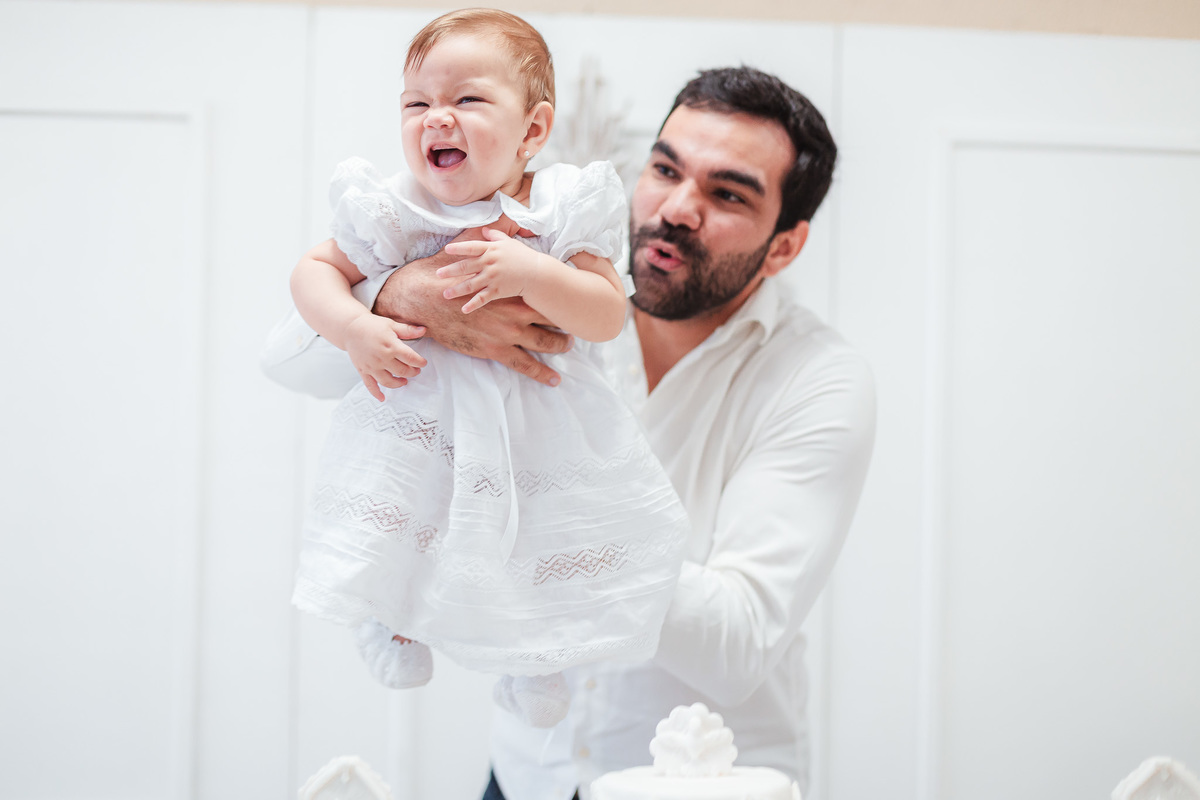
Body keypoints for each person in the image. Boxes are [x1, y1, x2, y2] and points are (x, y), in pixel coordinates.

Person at [263, 65, 875, 799]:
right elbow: (286, 360)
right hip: (528, 773)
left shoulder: (818, 379)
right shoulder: (532, 268)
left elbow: (736, 644)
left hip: (697, 781)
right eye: (665, 169)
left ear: (784, 246)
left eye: (729, 195)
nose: (677, 208)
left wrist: (562, 513)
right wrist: (398, 295)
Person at [286, 8, 689, 731]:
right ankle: (388, 620)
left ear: (533, 130)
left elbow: (606, 313)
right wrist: (354, 325)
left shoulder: (561, 209)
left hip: (534, 427)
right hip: (421, 420)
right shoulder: (394, 208)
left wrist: (534, 272)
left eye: (467, 99)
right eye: (416, 104)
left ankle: (537, 660)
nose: (436, 118)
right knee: (402, 518)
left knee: (539, 541)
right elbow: (312, 272)